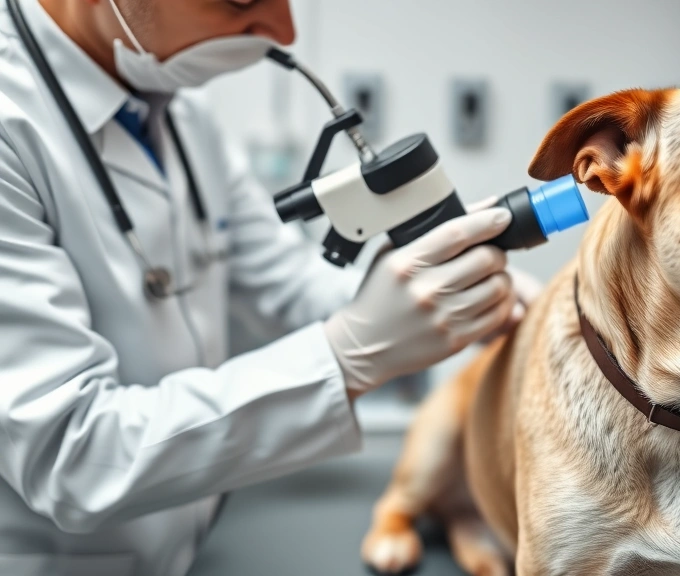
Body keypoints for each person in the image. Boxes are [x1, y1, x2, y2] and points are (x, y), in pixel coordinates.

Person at [0, 1, 542, 574]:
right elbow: (72, 455)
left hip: (197, 541)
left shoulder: (184, 117)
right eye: (241, 0)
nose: (283, 31)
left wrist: (427, 287)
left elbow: (285, 282)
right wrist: (347, 355)